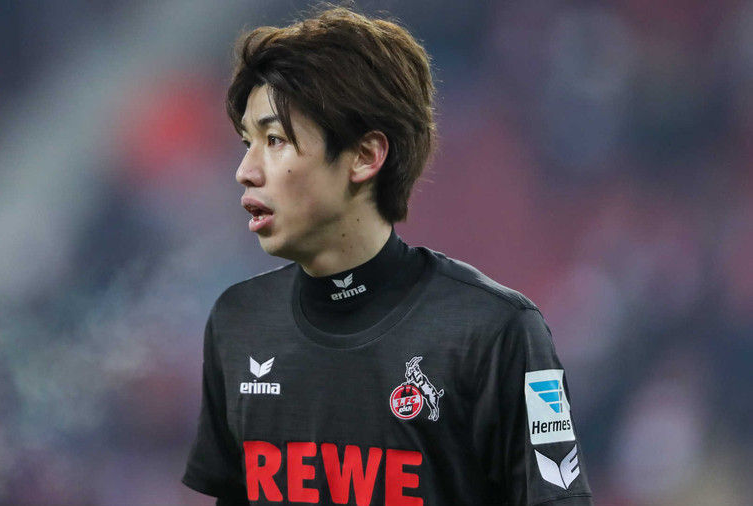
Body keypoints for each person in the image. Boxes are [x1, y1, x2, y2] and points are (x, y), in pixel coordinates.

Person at [182, 7, 593, 505]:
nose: (245, 170)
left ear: (364, 156)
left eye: (275, 140)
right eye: (247, 142)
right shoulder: (238, 321)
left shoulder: (499, 332)